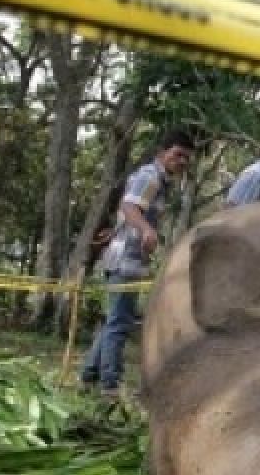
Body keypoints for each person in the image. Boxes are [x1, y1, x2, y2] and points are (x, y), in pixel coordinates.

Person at [81, 128, 195, 396]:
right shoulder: (150, 176)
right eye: (178, 155)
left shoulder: (160, 181)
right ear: (162, 153)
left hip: (130, 259)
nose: (181, 162)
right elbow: (130, 208)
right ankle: (110, 386)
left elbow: (129, 210)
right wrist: (146, 230)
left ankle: (88, 376)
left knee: (115, 320)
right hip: (125, 261)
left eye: (186, 159)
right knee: (119, 324)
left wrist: (121, 229)